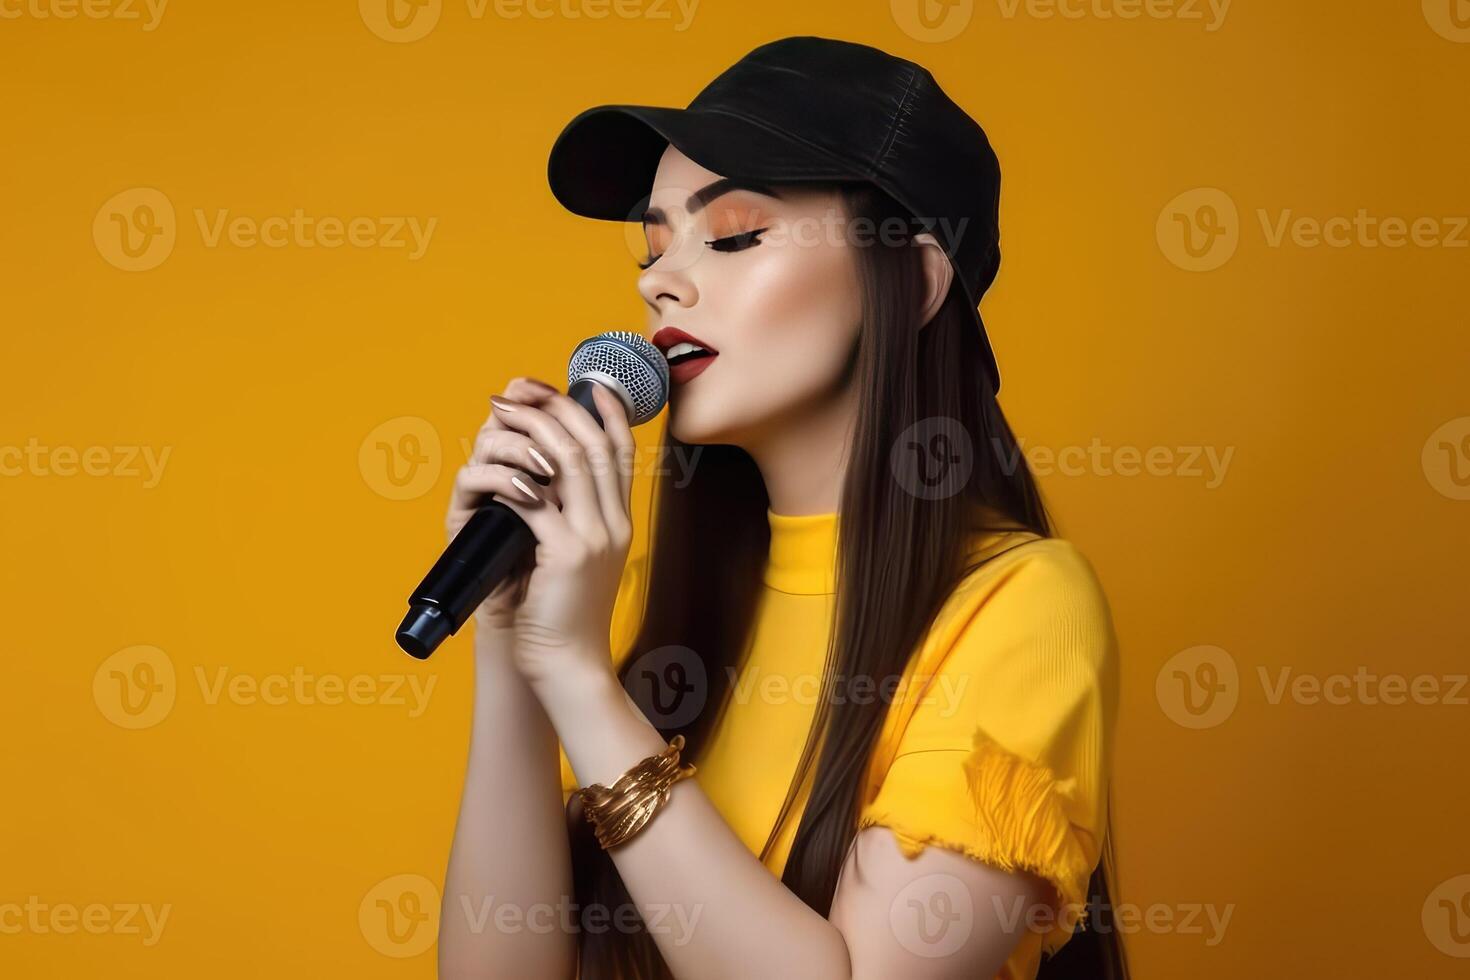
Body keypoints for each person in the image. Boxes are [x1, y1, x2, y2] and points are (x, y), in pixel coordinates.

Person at [438, 36, 1125, 980]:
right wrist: (515, 646)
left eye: (731, 235)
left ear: (915, 281)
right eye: (654, 244)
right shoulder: (635, 594)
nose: (656, 281)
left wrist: (581, 682)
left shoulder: (1021, 609)